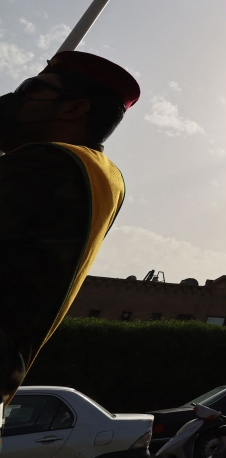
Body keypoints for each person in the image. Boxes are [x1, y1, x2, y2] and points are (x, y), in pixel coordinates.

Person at [0, 52, 138, 409]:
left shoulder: (45, 162)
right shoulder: (105, 176)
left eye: (30, 90)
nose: (14, 100)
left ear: (74, 109)